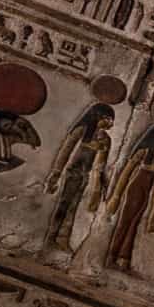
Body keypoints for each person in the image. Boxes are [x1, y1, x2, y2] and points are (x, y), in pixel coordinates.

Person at [101, 123, 154, 272]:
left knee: (134, 224)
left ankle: (124, 259)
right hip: (135, 190)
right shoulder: (144, 152)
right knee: (125, 222)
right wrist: (116, 197)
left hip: (144, 194)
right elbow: (126, 173)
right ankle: (111, 256)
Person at [43, 102, 113, 250]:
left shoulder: (105, 138)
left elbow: (101, 166)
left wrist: (99, 186)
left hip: (84, 175)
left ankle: (63, 238)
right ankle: (51, 236)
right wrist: (56, 173)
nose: (110, 123)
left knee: (73, 207)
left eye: (111, 120)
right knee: (64, 204)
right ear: (97, 116)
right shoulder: (82, 130)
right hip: (73, 173)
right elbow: (65, 151)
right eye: (107, 118)